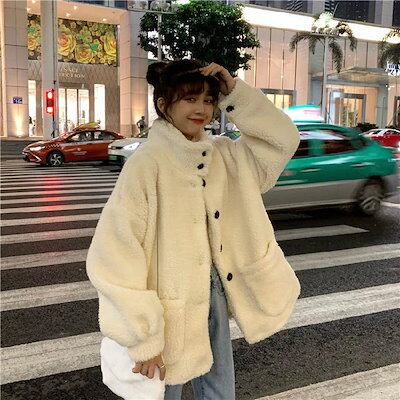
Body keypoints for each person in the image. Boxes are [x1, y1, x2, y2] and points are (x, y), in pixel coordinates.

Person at [86, 60, 301, 399]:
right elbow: (115, 254)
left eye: (208, 100)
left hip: (215, 294)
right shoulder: (147, 165)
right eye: (190, 99)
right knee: (163, 392)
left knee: (219, 390)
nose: (202, 109)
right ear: (163, 105)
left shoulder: (225, 156)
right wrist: (143, 338)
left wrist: (235, 93)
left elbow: (283, 140)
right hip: (165, 309)